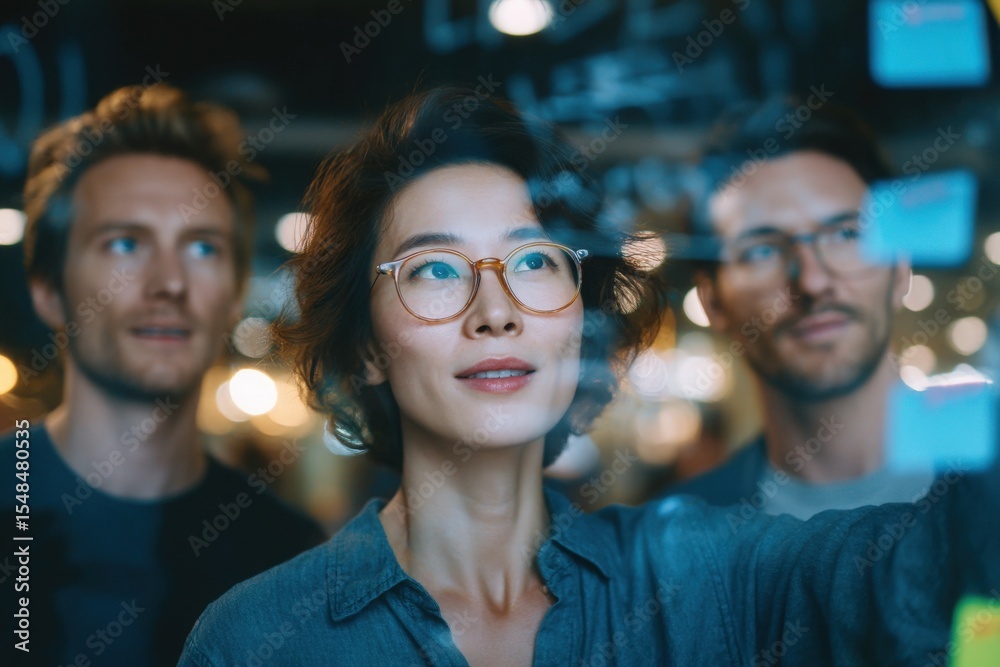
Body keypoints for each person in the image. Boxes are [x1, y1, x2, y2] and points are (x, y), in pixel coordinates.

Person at [178, 86, 998, 666]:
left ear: (580, 317)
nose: (494, 310)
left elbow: (922, 579)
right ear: (364, 344)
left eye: (535, 259)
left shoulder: (703, 576)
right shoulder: (257, 640)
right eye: (435, 270)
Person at [1, 83, 325, 666]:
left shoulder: (291, 557)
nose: (170, 283)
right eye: (125, 243)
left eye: (202, 248)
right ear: (49, 291)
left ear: (232, 295)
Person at [667, 98, 935, 518]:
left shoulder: (987, 491)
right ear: (712, 301)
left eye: (846, 234)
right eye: (761, 251)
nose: (811, 281)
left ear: (900, 268)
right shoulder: (681, 541)